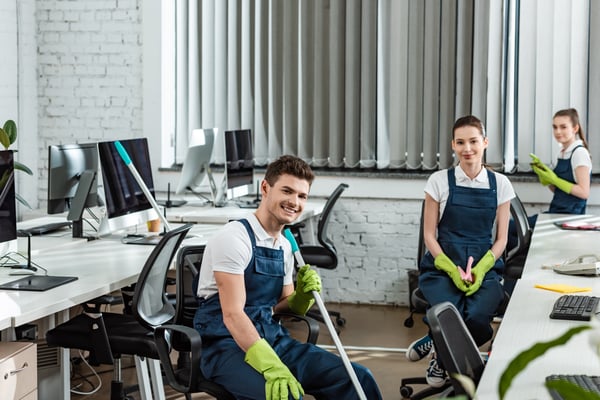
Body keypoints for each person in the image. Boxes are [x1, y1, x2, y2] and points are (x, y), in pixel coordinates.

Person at [193, 155, 382, 400]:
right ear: (265, 188)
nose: (295, 202)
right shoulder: (233, 238)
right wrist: (270, 365)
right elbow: (233, 315)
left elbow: (282, 306)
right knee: (285, 396)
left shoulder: (284, 246)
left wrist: (302, 297)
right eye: (287, 191)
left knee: (359, 378)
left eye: (302, 196)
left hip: (273, 339)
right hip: (226, 347)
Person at [406, 116, 515, 387]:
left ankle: (436, 346)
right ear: (453, 145)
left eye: (474, 141)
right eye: (460, 142)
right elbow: (429, 235)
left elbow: (501, 240)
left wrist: (481, 268)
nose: (467, 148)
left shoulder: (500, 184)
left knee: (477, 318)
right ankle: (443, 360)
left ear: (485, 143)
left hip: (484, 266)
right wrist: (450, 269)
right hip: (442, 266)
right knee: (449, 312)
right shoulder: (438, 181)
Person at [530, 108, 592, 224]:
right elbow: (559, 191)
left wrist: (555, 179)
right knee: (516, 227)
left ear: (575, 128)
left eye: (563, 127)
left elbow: (584, 192)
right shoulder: (562, 153)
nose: (558, 131)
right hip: (556, 212)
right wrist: (545, 177)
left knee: (514, 229)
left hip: (570, 217)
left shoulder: (579, 153)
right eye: (555, 127)